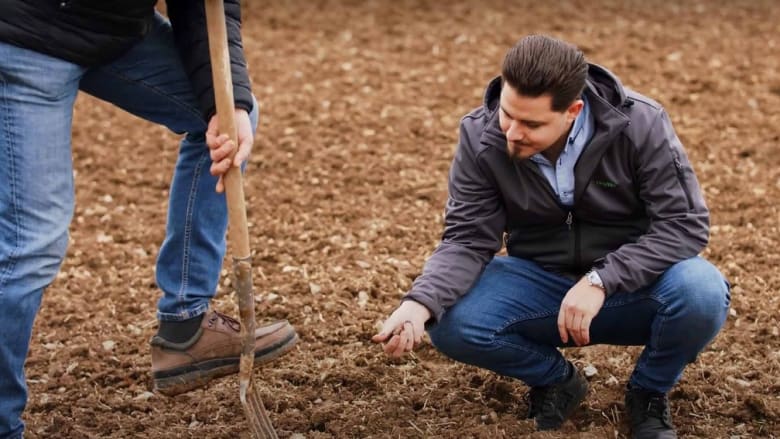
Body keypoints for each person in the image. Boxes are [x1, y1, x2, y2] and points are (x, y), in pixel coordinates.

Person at [372, 35, 730, 438]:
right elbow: (468, 238)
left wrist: (601, 280)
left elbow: (683, 223)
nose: (511, 132)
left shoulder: (640, 124)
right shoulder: (481, 135)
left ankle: (649, 391)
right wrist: (419, 303)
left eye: (532, 124)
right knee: (450, 317)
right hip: (541, 282)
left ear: (573, 111)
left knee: (701, 291)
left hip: (631, 287)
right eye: (508, 114)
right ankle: (557, 380)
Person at [0, 2, 298, 437]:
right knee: (30, 246)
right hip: (28, 34)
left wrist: (228, 99)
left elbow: (207, 7)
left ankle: (185, 326)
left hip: (110, 29)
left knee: (229, 119)